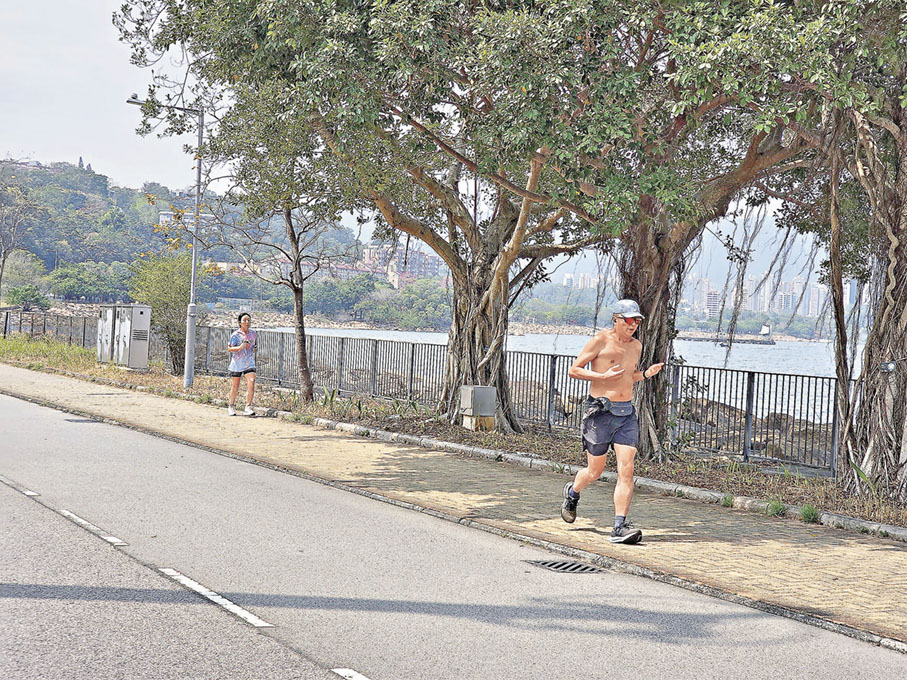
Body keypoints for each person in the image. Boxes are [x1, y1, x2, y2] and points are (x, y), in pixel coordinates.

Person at [560, 299, 663, 543]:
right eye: (629, 320)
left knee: (626, 470)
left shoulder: (636, 346)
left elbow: (629, 376)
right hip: (600, 412)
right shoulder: (600, 340)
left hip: (625, 413)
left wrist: (646, 374)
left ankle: (619, 526)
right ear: (616, 319)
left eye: (637, 321)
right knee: (594, 471)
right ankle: (573, 493)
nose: (633, 325)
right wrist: (601, 375)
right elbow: (574, 370)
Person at [227, 312, 257, 416]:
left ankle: (248, 407)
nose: (247, 322)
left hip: (249, 362)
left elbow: (254, 346)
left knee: (251, 382)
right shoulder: (235, 335)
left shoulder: (253, 333)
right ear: (240, 322)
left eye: (249, 320)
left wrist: (253, 348)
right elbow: (230, 349)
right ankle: (231, 406)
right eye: (245, 320)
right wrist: (240, 347)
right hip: (237, 363)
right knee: (235, 386)